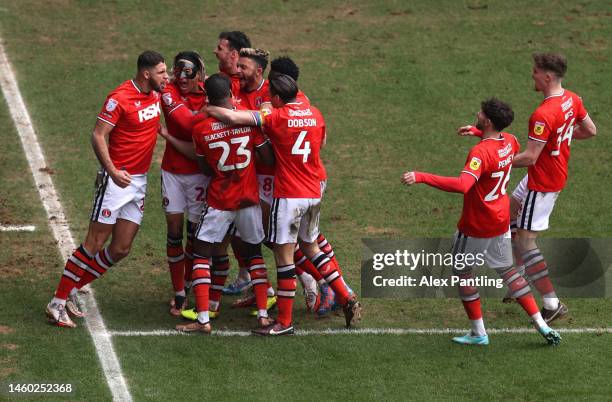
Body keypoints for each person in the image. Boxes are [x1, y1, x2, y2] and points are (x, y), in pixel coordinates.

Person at [206, 72, 362, 336]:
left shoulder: (277, 118)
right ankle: (345, 295)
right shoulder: (315, 113)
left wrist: (208, 107)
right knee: (312, 247)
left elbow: (233, 117)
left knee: (284, 258)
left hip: (290, 195)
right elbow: (321, 141)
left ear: (277, 98)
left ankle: (285, 322)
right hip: (314, 191)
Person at [403, 98, 561, 346]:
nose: (477, 113)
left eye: (480, 113)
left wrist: (421, 176)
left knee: (463, 271)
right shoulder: (511, 141)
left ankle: (478, 333)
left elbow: (463, 185)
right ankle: (542, 324)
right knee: (507, 270)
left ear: (487, 120)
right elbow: (496, 152)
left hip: (477, 225)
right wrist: (477, 132)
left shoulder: (479, 153)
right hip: (500, 220)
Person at [461, 53, 597, 323]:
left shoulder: (542, 114)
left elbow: (530, 157)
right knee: (510, 214)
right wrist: (560, 142)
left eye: (535, 72)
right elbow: (590, 130)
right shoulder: (573, 99)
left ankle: (551, 302)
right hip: (545, 175)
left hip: (542, 182)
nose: (532, 75)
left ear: (547, 77)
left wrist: (495, 161)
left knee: (525, 240)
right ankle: (519, 279)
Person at [46, 51, 168, 328]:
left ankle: (73, 289)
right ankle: (57, 302)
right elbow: (98, 134)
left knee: (121, 247)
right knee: (94, 243)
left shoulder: (157, 93)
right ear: (146, 74)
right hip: (117, 180)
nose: (167, 77)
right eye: (162, 72)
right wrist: (112, 171)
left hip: (138, 181)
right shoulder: (120, 98)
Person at [174, 74, 275, 334]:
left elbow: (204, 168)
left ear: (207, 97)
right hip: (249, 199)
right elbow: (266, 157)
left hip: (220, 200)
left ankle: (204, 318)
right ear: (231, 92)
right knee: (253, 255)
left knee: (201, 253)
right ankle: (263, 316)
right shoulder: (247, 119)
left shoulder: (200, 127)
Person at [160, 51, 209, 316]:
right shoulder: (168, 92)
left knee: (195, 234)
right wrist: (209, 111)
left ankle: (190, 283)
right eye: (178, 76)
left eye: (187, 78)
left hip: (199, 174)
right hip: (173, 172)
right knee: (174, 231)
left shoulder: (208, 92)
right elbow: (188, 124)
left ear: (198, 75)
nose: (182, 82)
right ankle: (179, 293)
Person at [214, 31, 251, 98]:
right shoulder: (222, 76)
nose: (215, 51)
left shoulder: (245, 86)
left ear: (233, 54)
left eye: (220, 48)